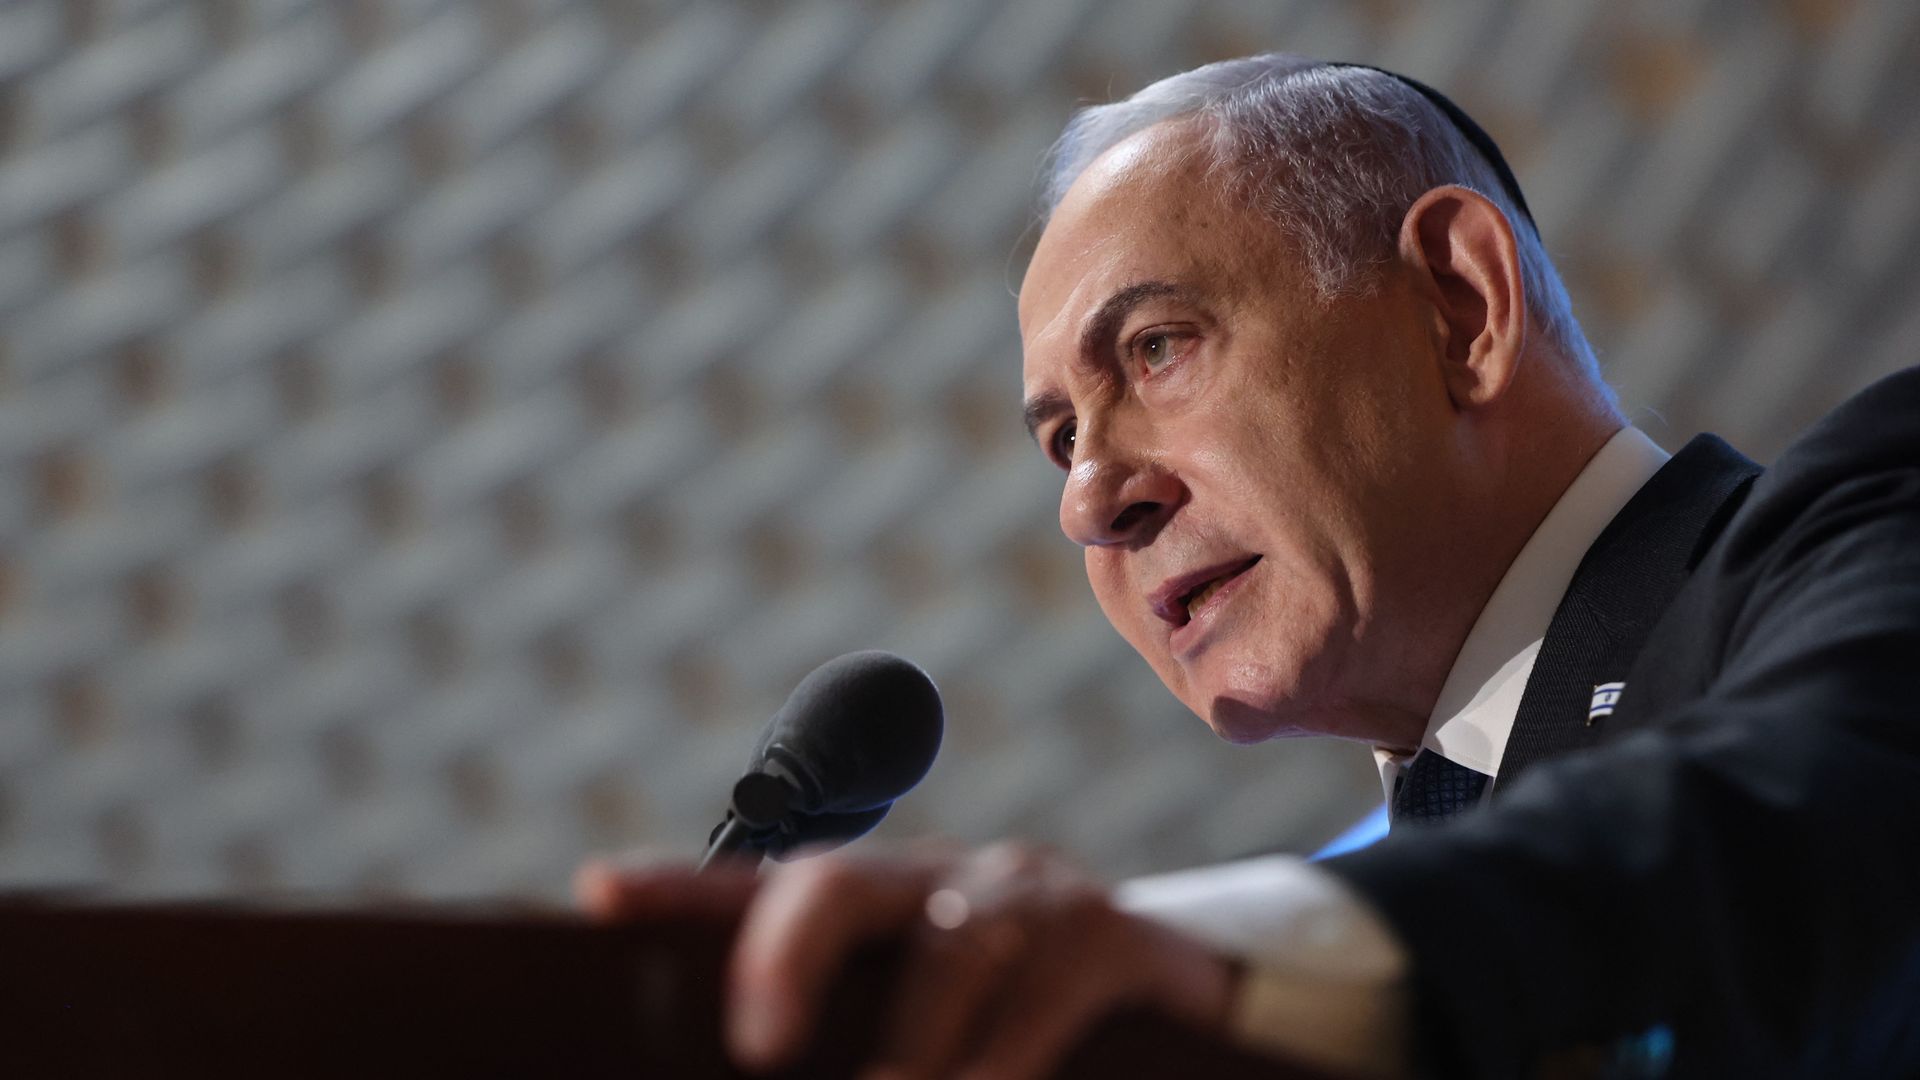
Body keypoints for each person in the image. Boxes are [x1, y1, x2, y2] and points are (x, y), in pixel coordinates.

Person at [576, 54, 1920, 1079]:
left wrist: (1193, 951)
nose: (1091, 499)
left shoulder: (1866, 524)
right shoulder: (1352, 909)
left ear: (1460, 308)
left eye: (1156, 349)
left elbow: (1812, 833)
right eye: (1058, 439)